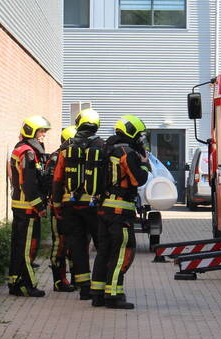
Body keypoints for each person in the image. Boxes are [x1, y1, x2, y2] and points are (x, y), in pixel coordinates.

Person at [91, 115, 151, 310]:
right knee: (122, 252)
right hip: (120, 211)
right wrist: (143, 162)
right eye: (139, 135)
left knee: (104, 252)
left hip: (104, 208)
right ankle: (114, 295)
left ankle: (98, 294)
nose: (140, 140)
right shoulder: (126, 152)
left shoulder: (106, 149)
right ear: (131, 132)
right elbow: (138, 179)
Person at [51, 110, 106, 300]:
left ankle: (83, 288)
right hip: (93, 205)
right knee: (102, 245)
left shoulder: (66, 147)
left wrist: (56, 204)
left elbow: (57, 178)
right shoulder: (102, 145)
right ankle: (101, 287)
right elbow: (106, 178)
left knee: (77, 247)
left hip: (70, 205)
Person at [8, 115, 51, 297]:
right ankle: (27, 285)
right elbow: (29, 183)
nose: (43, 135)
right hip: (27, 208)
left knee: (19, 247)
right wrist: (39, 206)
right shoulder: (28, 152)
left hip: (21, 206)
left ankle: (15, 283)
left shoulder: (22, 149)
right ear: (31, 131)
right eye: (41, 131)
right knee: (27, 248)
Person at [44, 126, 79, 292]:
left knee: (75, 244)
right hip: (59, 208)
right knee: (60, 244)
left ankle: (77, 278)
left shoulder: (74, 155)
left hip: (73, 208)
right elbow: (52, 184)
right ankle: (59, 281)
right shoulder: (56, 157)